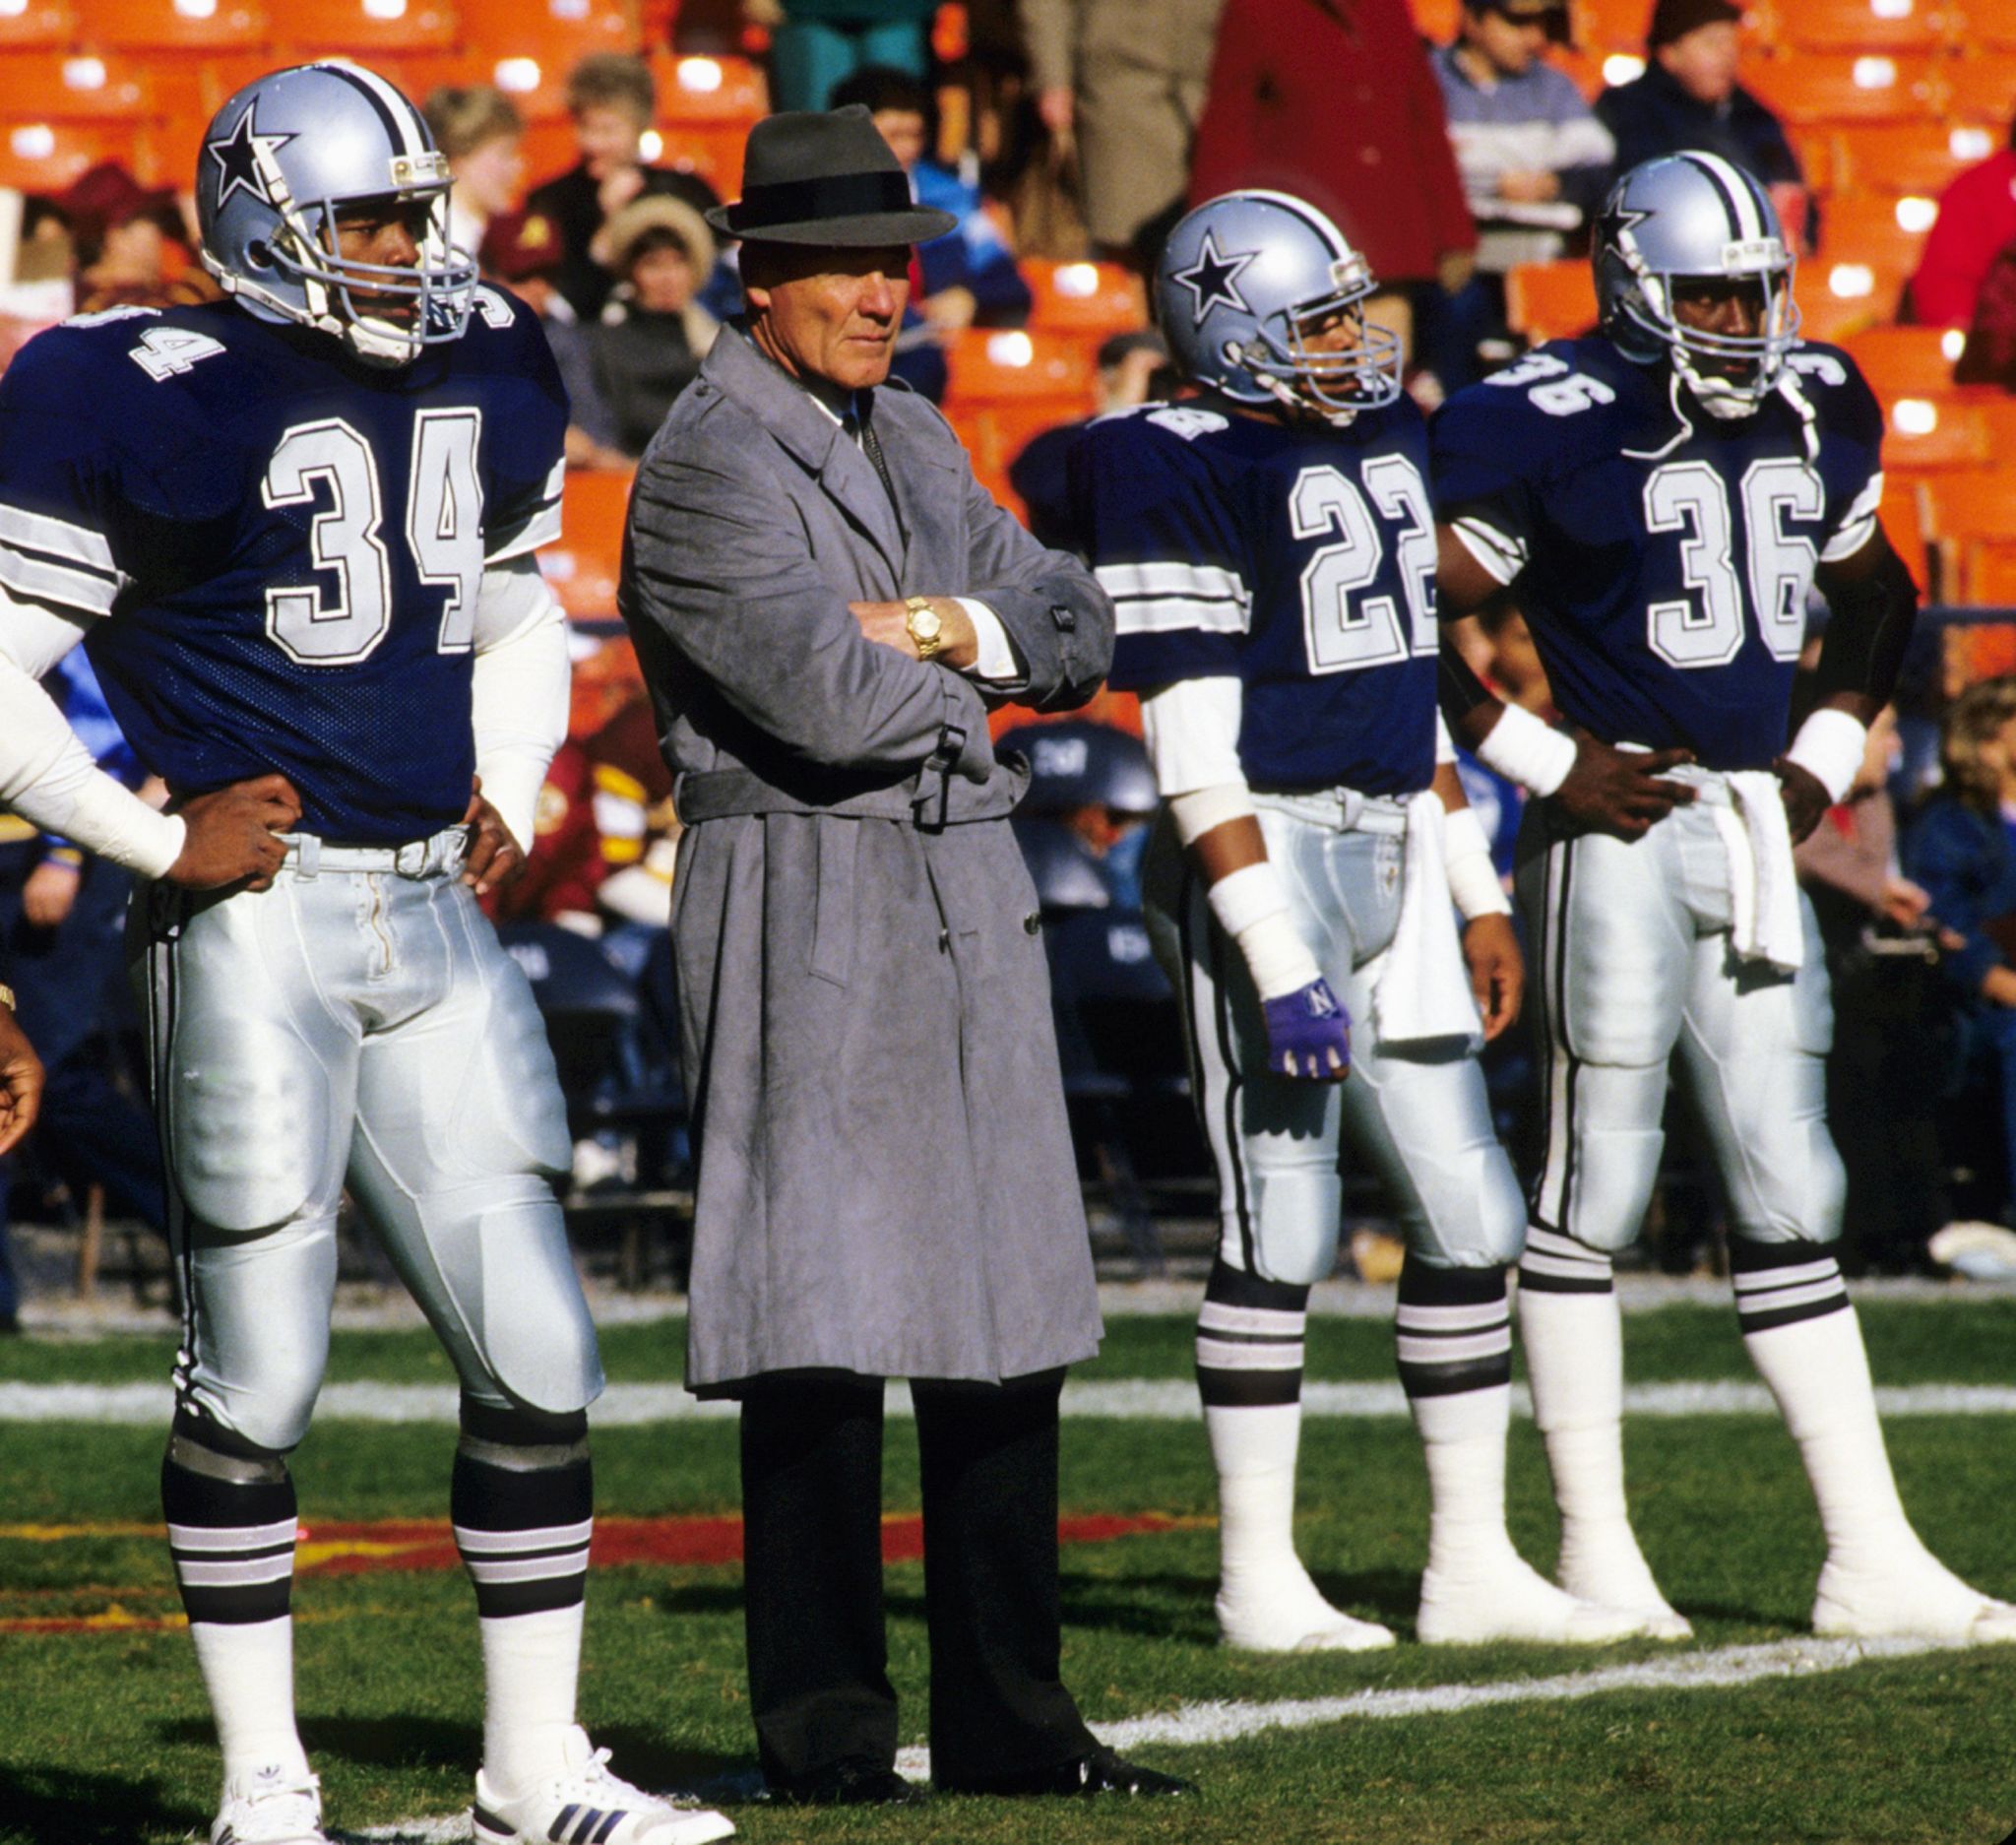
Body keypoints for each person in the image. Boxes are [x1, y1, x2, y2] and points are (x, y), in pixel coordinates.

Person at [0, 62, 735, 1845]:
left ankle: (529, 1771)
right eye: (379, 220)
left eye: (422, 214)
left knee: (546, 1353)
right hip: (252, 921)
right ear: (266, 223)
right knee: (256, 1374)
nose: (417, 250)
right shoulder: (136, 384)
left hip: (432, 906)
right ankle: (264, 1783)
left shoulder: (482, 356)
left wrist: (506, 772)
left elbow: (516, 614)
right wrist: (156, 836)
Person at [619, 103, 1189, 1805]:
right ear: (762, 273)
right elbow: (821, 696)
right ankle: (825, 1733)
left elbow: (1078, 620)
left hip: (957, 879)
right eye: (849, 265)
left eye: (898, 262)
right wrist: (979, 663)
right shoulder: (706, 460)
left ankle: (1015, 1720)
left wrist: (943, 628)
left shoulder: (920, 439)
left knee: (1007, 1307)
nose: (884, 291)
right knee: (815, 1319)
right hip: (799, 884)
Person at [1431, 149, 2016, 1644]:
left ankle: (1868, 1550)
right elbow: (1404, 612)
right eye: (1710, 290)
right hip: (1620, 827)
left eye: (1760, 288)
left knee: (1791, 1184)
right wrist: (1541, 757)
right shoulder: (1541, 416)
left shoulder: (1816, 395)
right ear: (1631, 281)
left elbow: (1876, 592)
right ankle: (1599, 1552)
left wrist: (1821, 760)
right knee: (1597, 1189)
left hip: (1755, 819)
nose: (1745, 318)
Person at [1074, 188, 1636, 1650]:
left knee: (1474, 1212)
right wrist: (1275, 959)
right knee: (1286, 1222)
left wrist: (1476, 889)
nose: (1354, 338)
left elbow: (1409, 690)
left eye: (1350, 308)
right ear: (1233, 324)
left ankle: (1470, 1562)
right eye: (1318, 317)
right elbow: (1189, 748)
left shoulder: (1380, 437)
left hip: (1396, 842)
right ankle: (1258, 1570)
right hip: (1263, 849)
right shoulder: (1166, 460)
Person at [1187, 0, 1478, 379]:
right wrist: (1213, 239)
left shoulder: (1389, 8)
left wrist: (1453, 231)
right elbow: (1227, 132)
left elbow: (1422, 119)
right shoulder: (1256, 10)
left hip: (1389, 244)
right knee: (1310, 383)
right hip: (1297, 252)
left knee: (1382, 379)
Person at [1427, 0, 1613, 388]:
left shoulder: (1553, 86)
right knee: (1455, 309)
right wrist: (1497, 180)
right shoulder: (1428, 78)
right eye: (1517, 22)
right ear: (1473, 21)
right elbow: (1421, 166)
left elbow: (1599, 165)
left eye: (1541, 23)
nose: (1535, 37)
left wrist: (1555, 184)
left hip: (1541, 254)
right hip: (1454, 259)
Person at [1018, 0, 1227, 264]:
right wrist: (1053, 76)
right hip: (1118, 78)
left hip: (1215, 72)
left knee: (1222, 235)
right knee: (1123, 234)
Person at [524, 53, 722, 323]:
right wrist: (607, 225)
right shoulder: (551, 201)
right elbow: (563, 307)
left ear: (640, 128)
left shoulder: (686, 192)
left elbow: (719, 286)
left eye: (608, 130)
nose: (593, 144)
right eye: (585, 127)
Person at [1596, 0, 1806, 248]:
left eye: (1731, 41)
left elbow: (1791, 190)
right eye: (1711, 42)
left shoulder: (1754, 114)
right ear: (1669, 54)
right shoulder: (1629, 110)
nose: (1726, 53)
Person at [589, 195, 722, 456]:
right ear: (631, 271)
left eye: (677, 262)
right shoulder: (605, 345)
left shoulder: (715, 344)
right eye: (653, 265)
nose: (668, 278)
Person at [422, 84, 527, 259]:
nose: (518, 165)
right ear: (458, 157)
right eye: (505, 153)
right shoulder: (440, 244)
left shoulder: (476, 231)